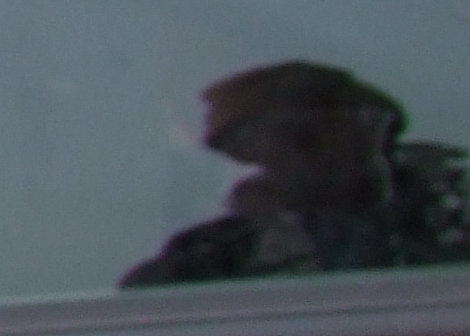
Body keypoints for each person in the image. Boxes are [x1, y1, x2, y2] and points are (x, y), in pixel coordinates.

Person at [125, 62, 470, 286]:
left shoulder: (451, 214)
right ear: (245, 151)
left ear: (378, 131)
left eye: (350, 120)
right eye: (298, 133)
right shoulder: (207, 262)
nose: (329, 144)